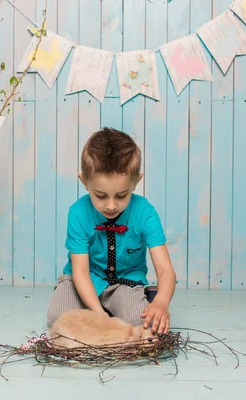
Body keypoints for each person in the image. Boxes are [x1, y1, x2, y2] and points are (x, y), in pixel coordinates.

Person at [46, 127, 177, 334]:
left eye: (121, 195)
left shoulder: (145, 212)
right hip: (82, 281)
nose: (111, 205)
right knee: (58, 317)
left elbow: (165, 269)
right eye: (100, 195)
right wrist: (98, 313)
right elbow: (80, 272)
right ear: (84, 182)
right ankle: (98, 308)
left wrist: (161, 302)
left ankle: (143, 298)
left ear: (136, 182)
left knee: (142, 323)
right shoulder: (78, 213)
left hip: (124, 284)